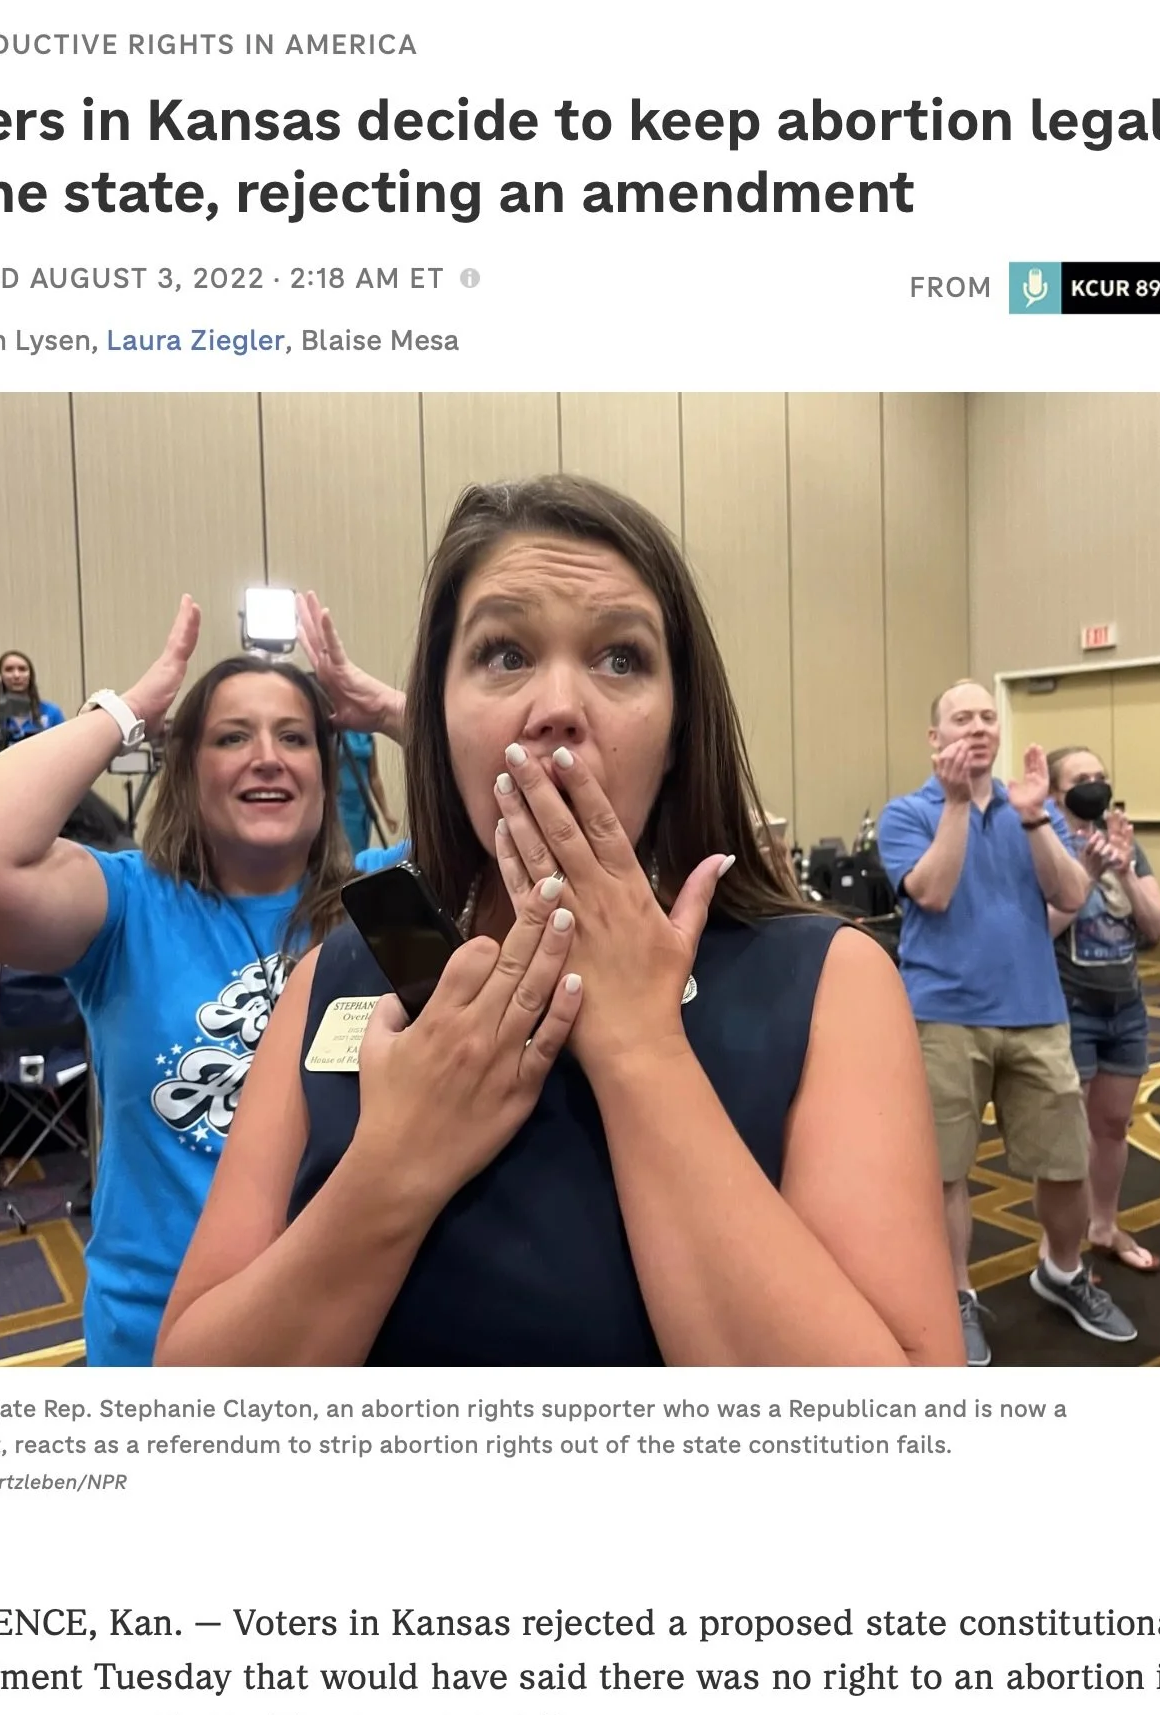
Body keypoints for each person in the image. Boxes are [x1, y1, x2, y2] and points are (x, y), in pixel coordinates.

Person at [156, 475, 963, 1368]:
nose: (558, 710)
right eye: (505, 654)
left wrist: (640, 1051)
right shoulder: (336, 976)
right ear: (439, 716)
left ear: (678, 729)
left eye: (621, 659)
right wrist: (394, 1169)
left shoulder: (827, 982)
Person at [0, 598, 406, 1366]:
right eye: (232, 737)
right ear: (187, 771)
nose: (267, 757)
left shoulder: (383, 899)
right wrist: (127, 712)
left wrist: (389, 711)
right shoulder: (128, 906)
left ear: (325, 767)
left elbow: (517, 801)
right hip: (159, 1343)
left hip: (347, 1328)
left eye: (294, 737)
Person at [878, 681, 1137, 1366]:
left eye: (988, 717)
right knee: (945, 1170)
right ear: (934, 739)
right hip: (942, 1015)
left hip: (1037, 1013)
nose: (978, 727)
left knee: (1065, 1161)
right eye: (961, 718)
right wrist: (957, 804)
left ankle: (1062, 1271)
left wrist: (1032, 820)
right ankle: (957, 1295)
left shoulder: (1035, 810)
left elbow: (1072, 894)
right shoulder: (907, 813)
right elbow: (932, 893)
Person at [1047, 747, 1160, 1274]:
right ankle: (1058, 1248)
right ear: (1055, 793)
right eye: (1081, 779)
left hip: (1126, 1008)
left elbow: (1157, 926)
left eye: (1100, 776)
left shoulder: (1125, 844)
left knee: (1114, 1125)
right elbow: (1039, 929)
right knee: (1068, 1136)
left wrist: (1124, 870)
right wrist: (1087, 874)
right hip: (1069, 1007)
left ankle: (1103, 1224)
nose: (1094, 785)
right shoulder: (1046, 847)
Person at [0, 650, 66, 751]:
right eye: (9, 669)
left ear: (31, 676)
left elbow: (65, 749)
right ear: (0, 677)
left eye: (22, 669)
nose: (16, 675)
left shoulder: (51, 712)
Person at [336, 727, 398, 857]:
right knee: (343, 857)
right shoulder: (334, 735)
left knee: (360, 855)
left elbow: (374, 778)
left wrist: (386, 813)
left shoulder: (367, 737)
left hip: (362, 808)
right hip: (340, 808)